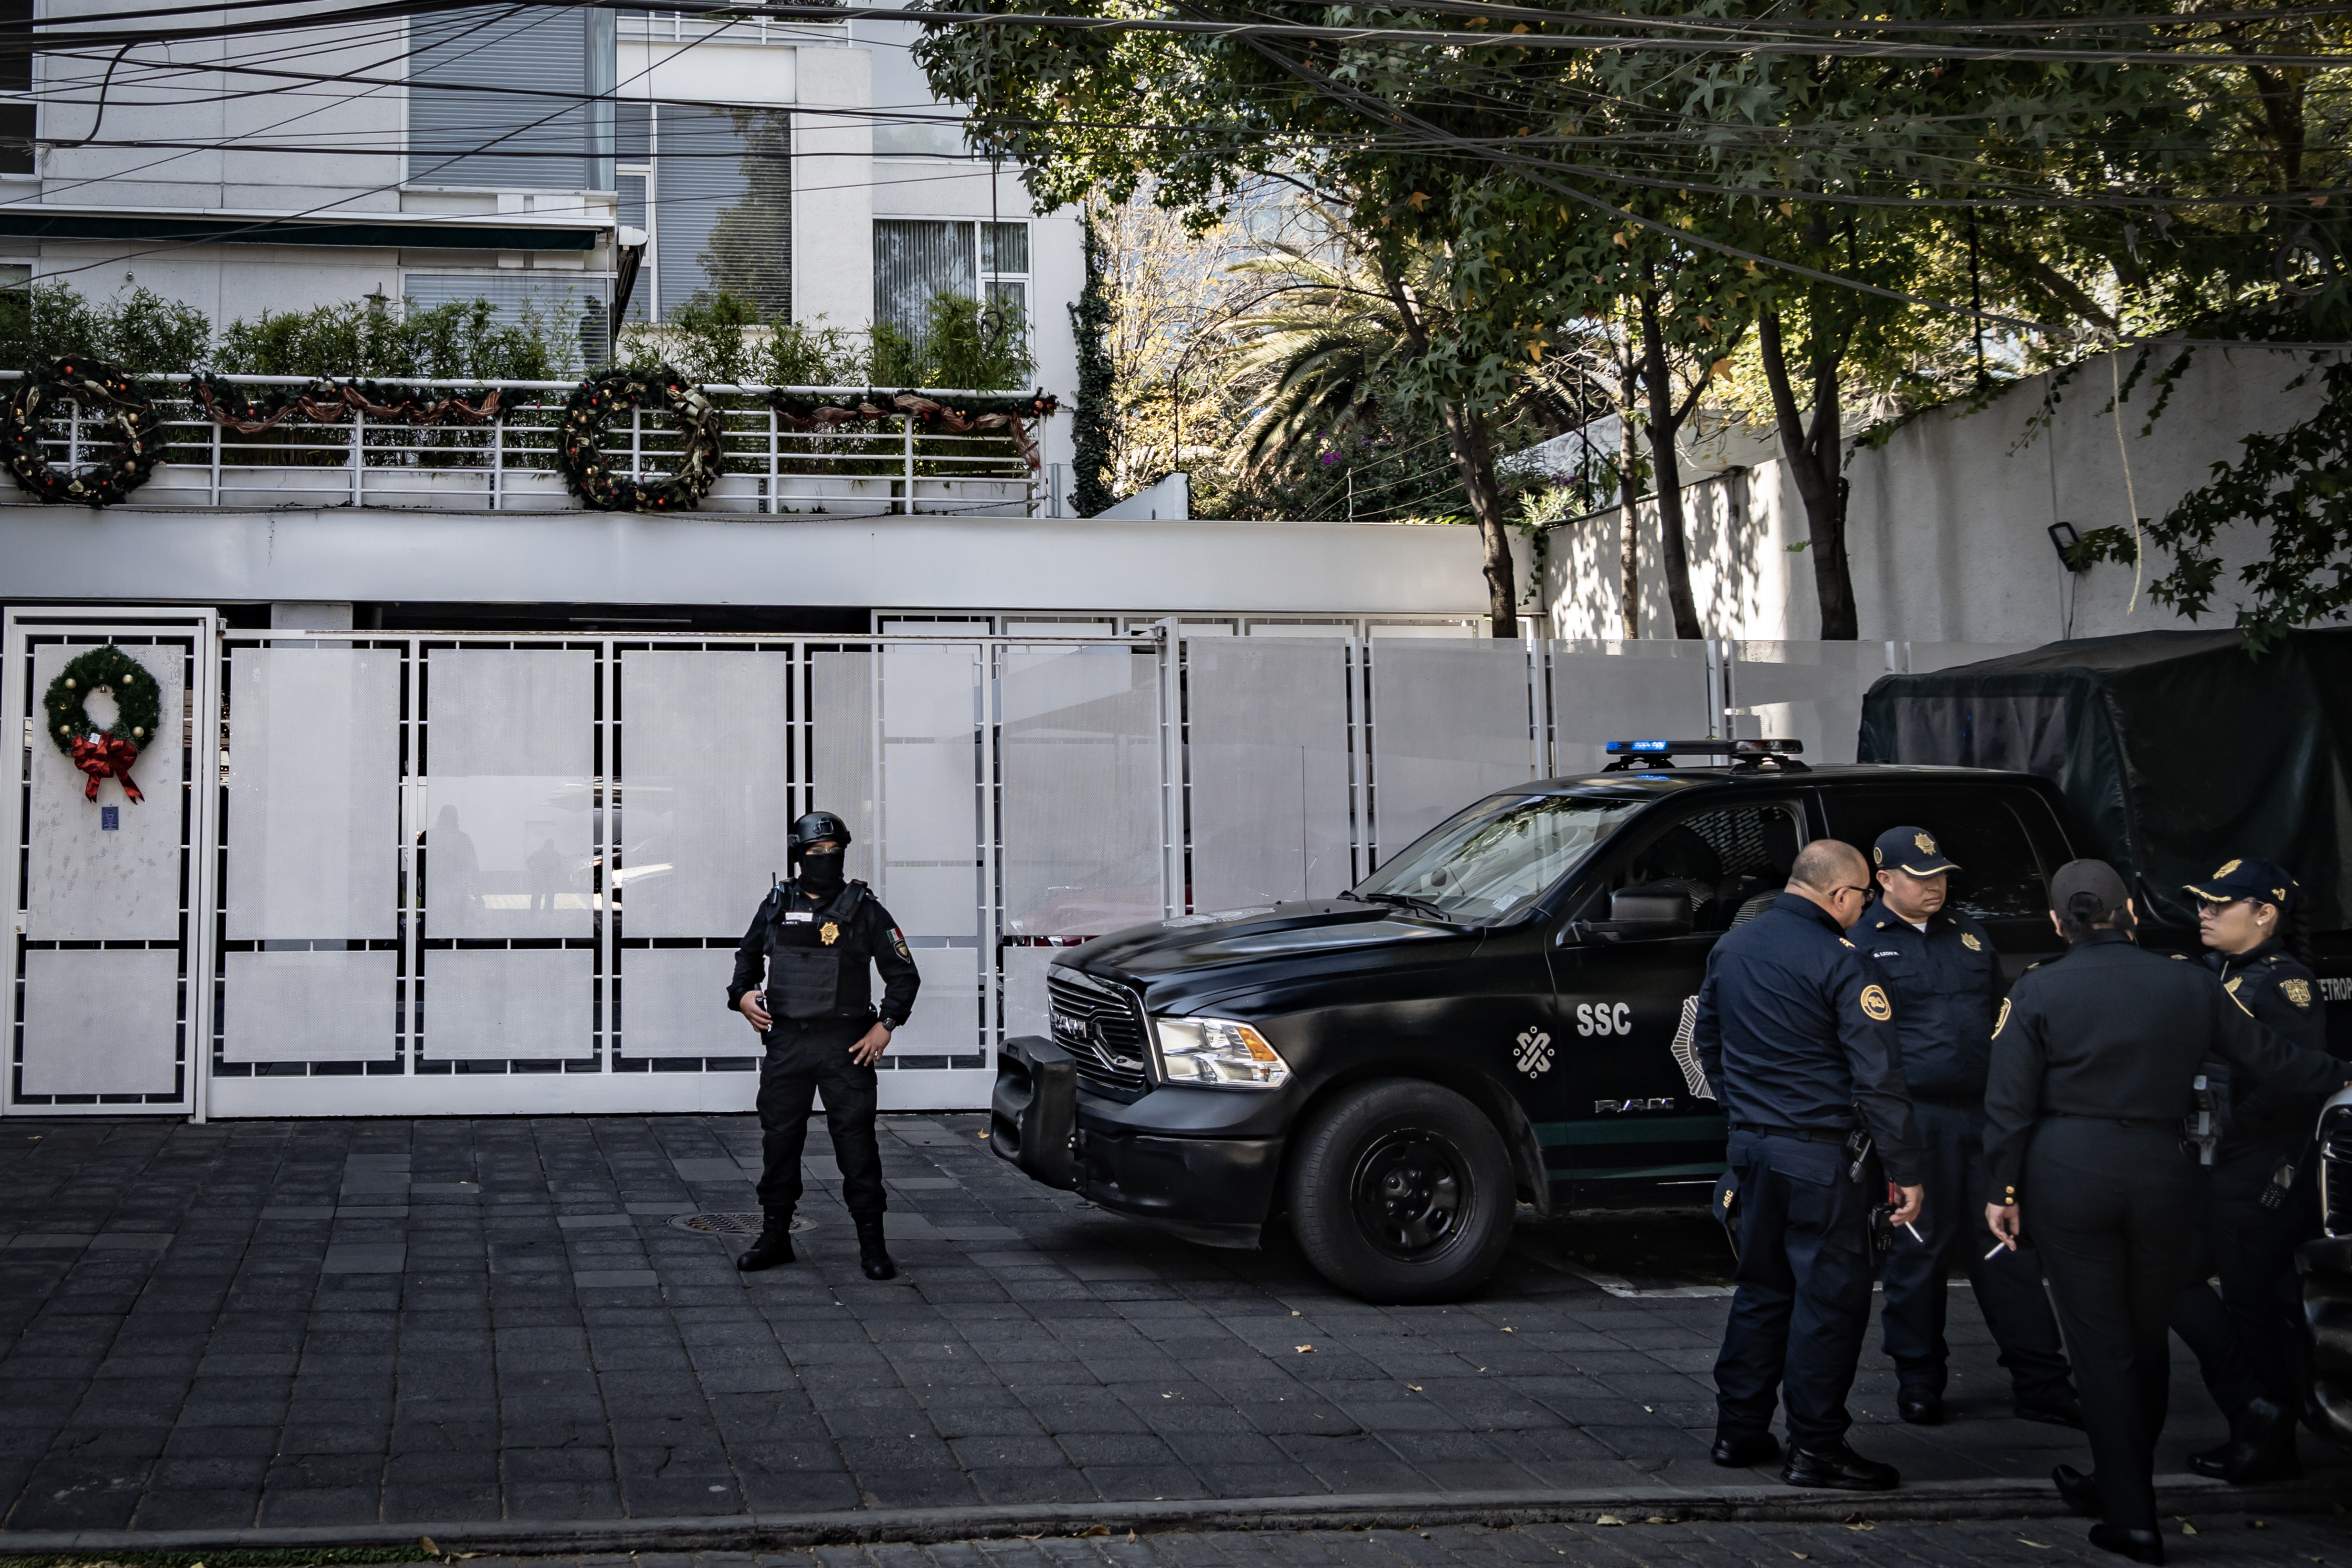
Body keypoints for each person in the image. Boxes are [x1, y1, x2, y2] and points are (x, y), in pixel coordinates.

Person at [1984, 860, 2352, 1566]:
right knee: (2146, 1337)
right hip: (2163, 1169)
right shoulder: (2189, 982)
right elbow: (2280, 1062)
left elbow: (2008, 1104)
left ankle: (2130, 1514)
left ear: (2059, 923)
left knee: (2099, 1346)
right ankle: (2123, 1492)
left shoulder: (2036, 989)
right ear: (2131, 914)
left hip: (2068, 1169)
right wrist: (2345, 1074)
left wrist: (2001, 1191)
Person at [1695, 837, 1925, 1492]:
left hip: (1753, 1154)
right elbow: (1879, 1079)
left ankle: (1737, 1432)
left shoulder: (1732, 946)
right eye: (1864, 900)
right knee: (1828, 1304)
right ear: (1841, 895)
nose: (1865, 911)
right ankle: (1817, 1449)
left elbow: (1706, 1042)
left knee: (1763, 1291)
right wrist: (1906, 1169)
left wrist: (1746, 1115)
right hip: (1823, 1160)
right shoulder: (1842, 962)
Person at [1858, 826, 2080, 1428]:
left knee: (2006, 1247)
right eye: (1922, 876)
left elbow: (2004, 1024)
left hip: (1983, 1117)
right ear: (1884, 880)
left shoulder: (1969, 935)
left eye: (1942, 875)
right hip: (1914, 1121)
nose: (1938, 886)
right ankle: (1919, 1382)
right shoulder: (1859, 944)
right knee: (1918, 1253)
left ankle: (2042, 1382)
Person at [2169, 858, 2332, 1484]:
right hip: (2218, 1165)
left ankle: (2267, 1440)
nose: (2204, 914)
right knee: (2180, 1281)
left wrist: (2228, 1131)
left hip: (2260, 1170)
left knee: (2253, 1307)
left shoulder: (2282, 983)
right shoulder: (2223, 973)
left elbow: (2296, 1081)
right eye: (2202, 903)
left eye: (2219, 904)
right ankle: (2256, 1415)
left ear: (2264, 914)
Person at [726, 809, 921, 1280]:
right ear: (799, 855)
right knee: (780, 1144)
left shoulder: (866, 909)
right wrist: (743, 997)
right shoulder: (776, 904)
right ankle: (775, 1237)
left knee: (857, 1148)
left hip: (845, 1046)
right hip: (788, 1042)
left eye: (835, 853)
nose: (826, 860)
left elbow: (903, 974)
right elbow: (747, 958)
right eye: (816, 853)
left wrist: (887, 1024)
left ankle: (873, 1247)